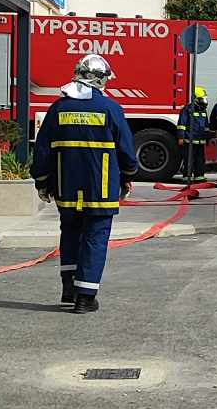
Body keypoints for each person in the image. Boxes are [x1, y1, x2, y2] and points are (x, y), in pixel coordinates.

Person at [32, 54, 138, 314]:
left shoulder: (58, 108)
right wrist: (127, 175)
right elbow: (126, 151)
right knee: (95, 238)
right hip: (100, 190)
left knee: (69, 234)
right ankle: (85, 297)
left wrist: (42, 182)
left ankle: (69, 290)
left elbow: (43, 151)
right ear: (101, 80)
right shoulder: (110, 109)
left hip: (66, 188)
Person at [177, 85, 210, 183]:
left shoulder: (203, 110)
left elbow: (206, 126)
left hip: (200, 141)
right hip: (189, 140)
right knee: (189, 159)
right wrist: (181, 137)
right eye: (202, 99)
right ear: (195, 99)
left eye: (204, 99)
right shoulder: (187, 109)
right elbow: (181, 124)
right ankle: (187, 178)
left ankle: (199, 177)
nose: (204, 101)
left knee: (200, 160)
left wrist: (207, 138)